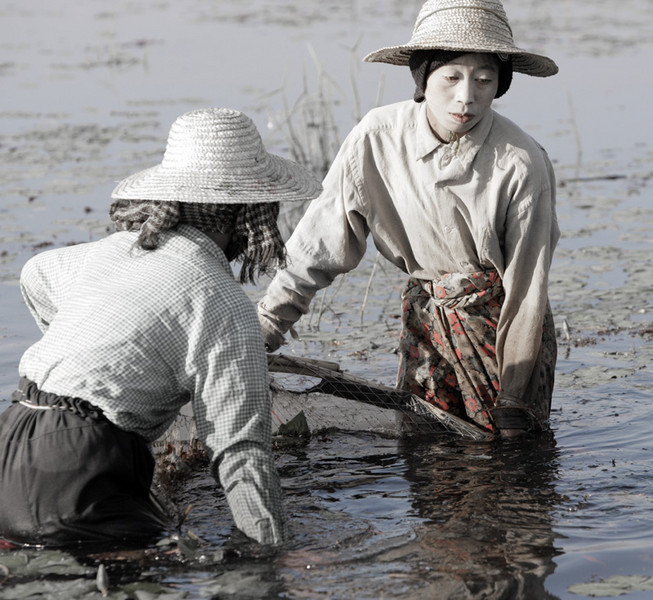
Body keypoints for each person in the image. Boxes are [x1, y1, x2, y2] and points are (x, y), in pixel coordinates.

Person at [0, 107, 322, 547]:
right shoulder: (221, 302)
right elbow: (241, 455)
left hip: (12, 436)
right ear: (249, 213)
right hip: (80, 466)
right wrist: (274, 554)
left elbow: (36, 272)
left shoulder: (108, 251)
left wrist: (96, 350)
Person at [258, 0, 560, 439]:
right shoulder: (377, 138)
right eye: (452, 77)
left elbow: (527, 288)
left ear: (501, 84)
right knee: (425, 458)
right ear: (423, 77)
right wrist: (267, 327)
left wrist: (513, 395)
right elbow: (316, 244)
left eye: (484, 79)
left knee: (509, 462)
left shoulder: (521, 161)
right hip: (429, 325)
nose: (467, 96)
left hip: (503, 332)